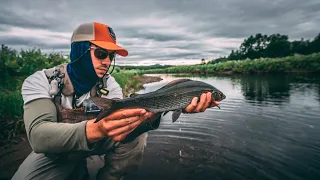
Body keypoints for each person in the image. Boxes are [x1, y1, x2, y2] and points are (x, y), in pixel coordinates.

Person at [12, 22, 220, 180]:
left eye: (111, 56)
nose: (107, 62)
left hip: (96, 144)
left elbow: (128, 125)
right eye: (101, 53)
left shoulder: (110, 85)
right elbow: (38, 137)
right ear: (79, 51)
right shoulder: (41, 81)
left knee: (137, 135)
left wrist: (161, 110)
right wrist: (99, 130)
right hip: (54, 154)